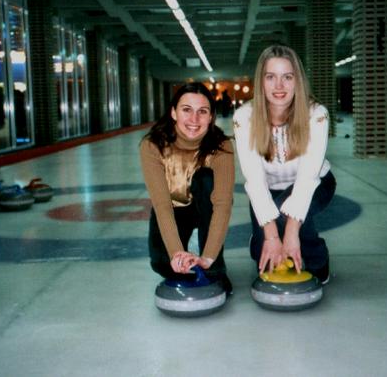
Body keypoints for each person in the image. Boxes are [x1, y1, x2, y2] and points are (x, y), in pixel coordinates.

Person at [233, 45, 336, 284]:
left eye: (287, 77)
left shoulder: (317, 114)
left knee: (284, 219)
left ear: (297, 81)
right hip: (269, 188)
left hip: (316, 184)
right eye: (271, 77)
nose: (279, 86)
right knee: (264, 250)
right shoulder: (244, 117)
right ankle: (257, 241)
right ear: (261, 82)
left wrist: (290, 234)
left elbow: (307, 178)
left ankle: (319, 260)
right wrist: (269, 237)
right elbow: (255, 181)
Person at [140, 82, 235, 293]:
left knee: (205, 178)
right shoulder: (153, 145)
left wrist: (209, 258)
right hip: (173, 208)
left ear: (211, 117)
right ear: (174, 112)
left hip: (206, 205)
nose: (194, 119)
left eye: (202, 111)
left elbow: (222, 204)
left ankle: (216, 271)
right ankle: (173, 258)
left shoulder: (221, 145)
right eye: (186, 110)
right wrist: (176, 253)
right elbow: (161, 204)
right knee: (164, 264)